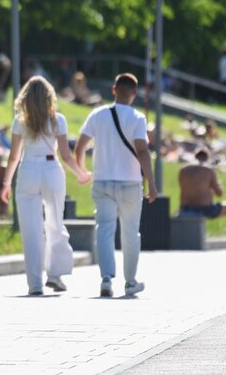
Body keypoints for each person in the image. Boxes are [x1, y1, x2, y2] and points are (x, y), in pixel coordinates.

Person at [2, 76, 91, 295]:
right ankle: (55, 275)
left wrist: (6, 183)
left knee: (30, 230)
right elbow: (65, 155)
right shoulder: (57, 120)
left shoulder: (20, 121)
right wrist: (81, 172)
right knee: (55, 223)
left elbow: (14, 157)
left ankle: (35, 284)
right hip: (51, 170)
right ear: (49, 97)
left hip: (28, 170)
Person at [74, 73, 157, 298]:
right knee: (131, 233)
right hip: (130, 183)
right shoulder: (138, 118)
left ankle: (106, 279)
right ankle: (130, 283)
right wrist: (151, 182)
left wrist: (82, 171)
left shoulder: (97, 114)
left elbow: (80, 147)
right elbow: (142, 151)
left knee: (104, 229)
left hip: (102, 180)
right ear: (134, 93)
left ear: (113, 90)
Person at [179, 148, 226, 233]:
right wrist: (217, 185)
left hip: (185, 207)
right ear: (207, 158)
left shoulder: (183, 170)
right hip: (205, 208)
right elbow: (219, 193)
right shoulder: (208, 170)